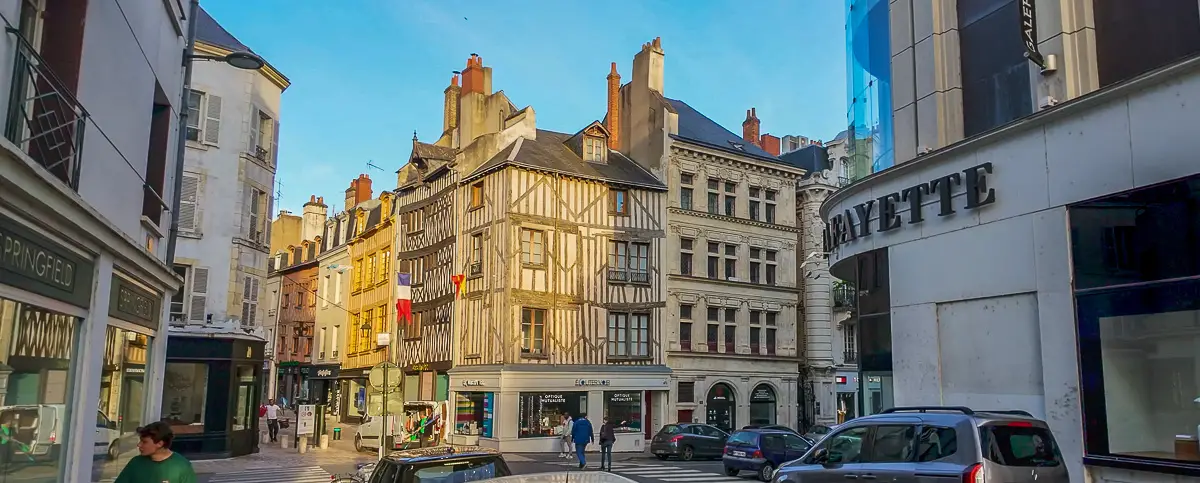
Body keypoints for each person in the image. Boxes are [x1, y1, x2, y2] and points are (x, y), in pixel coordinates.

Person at [114, 421, 196, 483]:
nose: (139, 445)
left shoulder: (181, 467)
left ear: (160, 443)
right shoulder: (136, 463)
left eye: (144, 442)